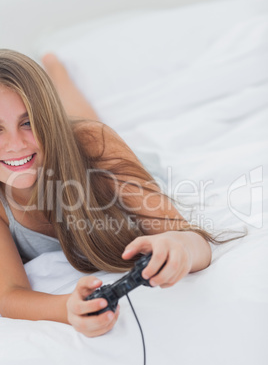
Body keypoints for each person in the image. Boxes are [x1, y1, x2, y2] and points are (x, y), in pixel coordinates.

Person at [0, 49, 232, 337]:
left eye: (28, 122)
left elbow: (189, 237)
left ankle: (55, 69)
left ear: (46, 117)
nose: (14, 144)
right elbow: (9, 293)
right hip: (71, 147)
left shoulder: (95, 143)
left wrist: (180, 247)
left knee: (84, 128)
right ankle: (52, 70)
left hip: (114, 167)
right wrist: (66, 308)